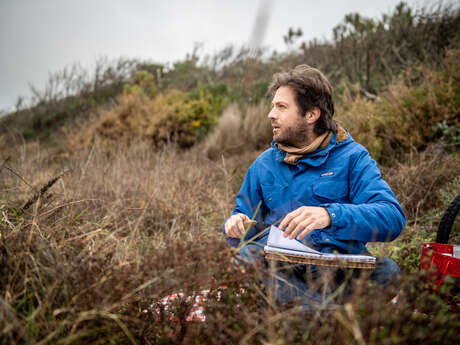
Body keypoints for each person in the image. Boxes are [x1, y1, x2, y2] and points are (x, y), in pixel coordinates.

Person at [223, 65, 406, 310]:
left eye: (281, 107)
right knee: (244, 262)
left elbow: (392, 218)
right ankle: (334, 317)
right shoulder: (263, 164)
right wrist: (235, 224)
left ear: (311, 115)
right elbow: (242, 221)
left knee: (389, 272)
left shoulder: (354, 157)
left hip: (341, 269)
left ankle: (312, 312)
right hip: (284, 270)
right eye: (273, 106)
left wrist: (329, 215)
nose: (271, 114)